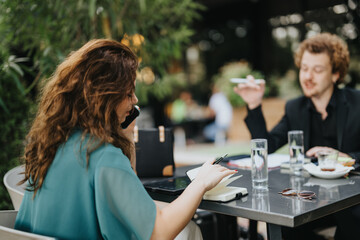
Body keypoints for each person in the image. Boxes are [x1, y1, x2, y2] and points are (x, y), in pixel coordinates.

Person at [14, 39, 237, 240]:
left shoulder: (53, 144)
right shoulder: (102, 157)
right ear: (105, 98)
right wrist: (201, 183)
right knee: (188, 229)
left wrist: (125, 135)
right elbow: (158, 233)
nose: (135, 100)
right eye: (129, 93)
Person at [234, 32, 360, 239]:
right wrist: (254, 104)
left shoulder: (357, 103)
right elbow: (266, 146)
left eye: (317, 70)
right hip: (312, 200)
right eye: (304, 68)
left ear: (336, 74)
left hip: (352, 200)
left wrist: (346, 158)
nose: (308, 76)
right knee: (284, 224)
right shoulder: (295, 108)